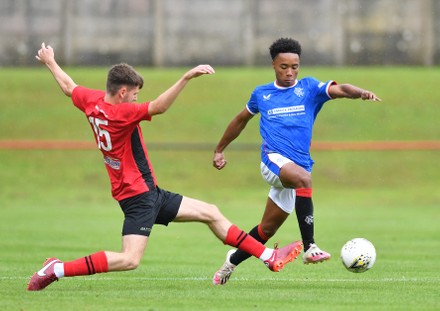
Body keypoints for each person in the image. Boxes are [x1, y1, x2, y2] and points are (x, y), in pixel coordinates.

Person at [27, 43, 304, 291]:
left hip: (148, 192)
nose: (136, 98)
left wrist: (51, 62)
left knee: (211, 212)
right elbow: (159, 107)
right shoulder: (121, 113)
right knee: (129, 259)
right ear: (122, 93)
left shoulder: (92, 101)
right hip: (139, 197)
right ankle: (57, 269)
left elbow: (68, 87)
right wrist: (186, 77)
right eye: (134, 94)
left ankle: (269, 257)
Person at [212, 37, 381, 285]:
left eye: (295, 67)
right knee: (304, 179)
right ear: (273, 65)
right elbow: (240, 120)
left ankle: (230, 263)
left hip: (295, 168)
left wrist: (361, 93)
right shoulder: (262, 94)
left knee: (266, 230)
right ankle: (310, 247)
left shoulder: (309, 88)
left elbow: (341, 90)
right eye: (284, 67)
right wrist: (219, 150)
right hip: (272, 161)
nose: (290, 72)